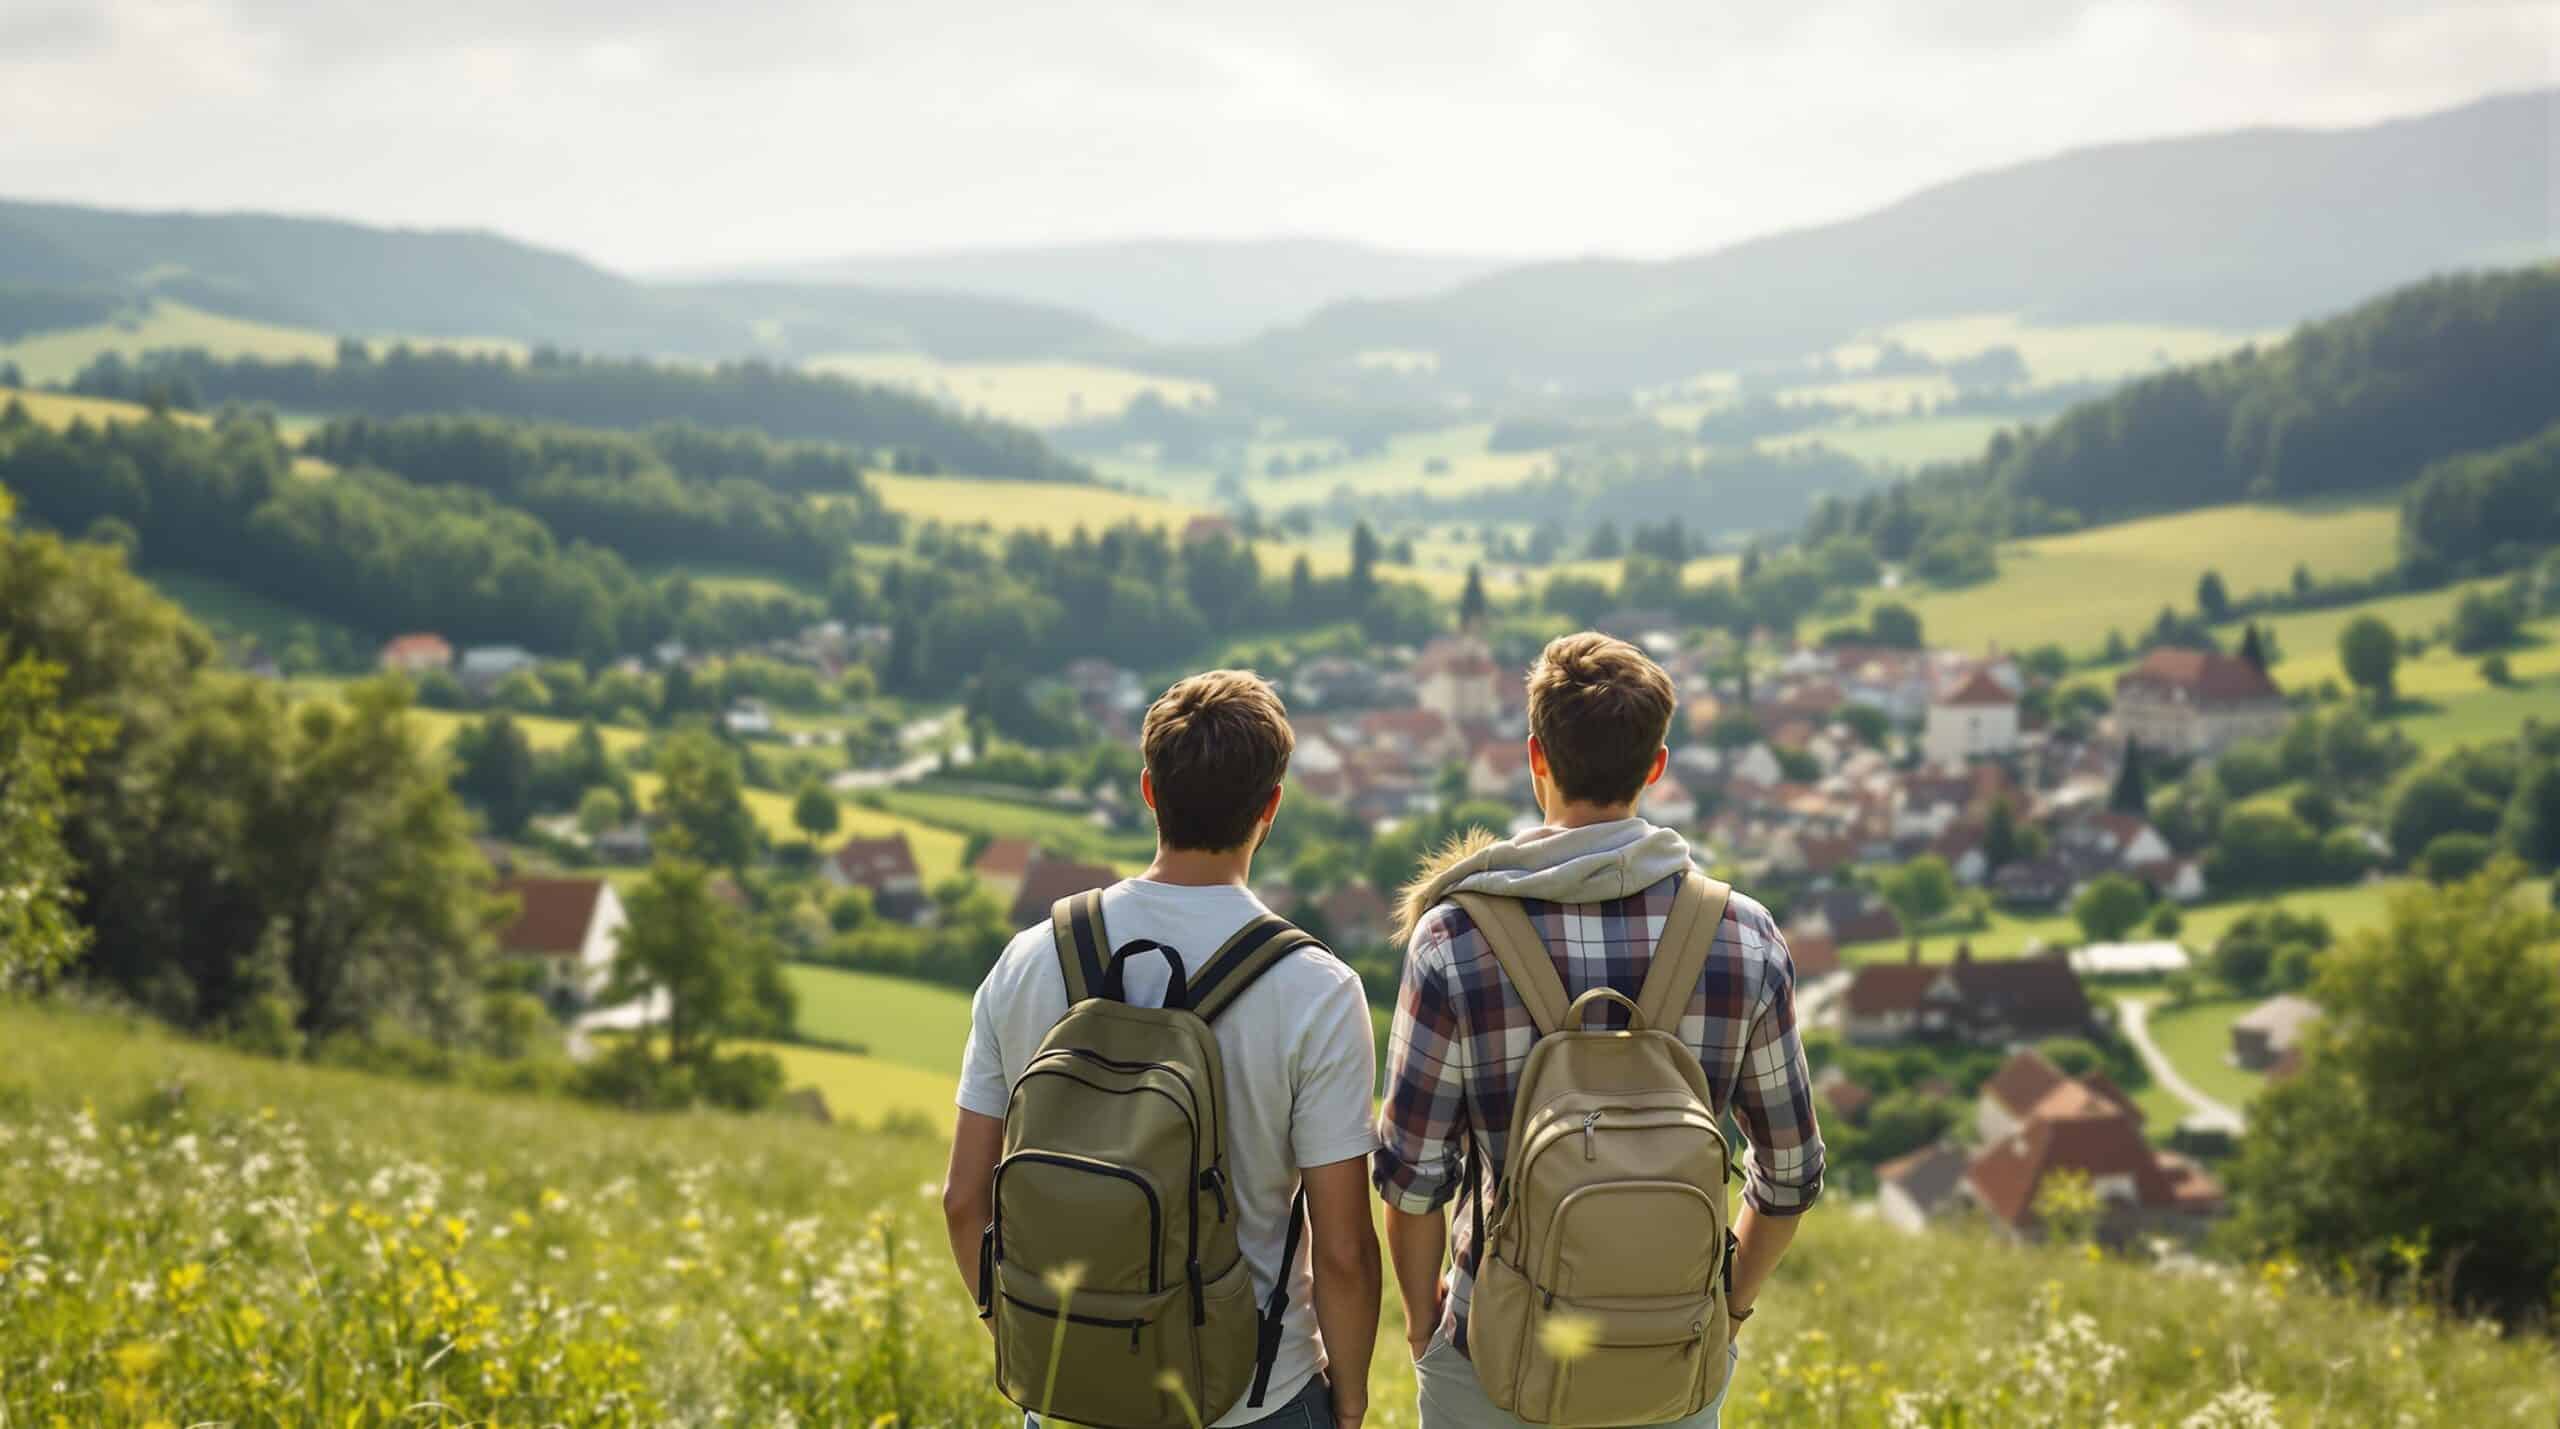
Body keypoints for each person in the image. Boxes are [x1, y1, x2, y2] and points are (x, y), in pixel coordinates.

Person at [1373, 632, 1826, 1428]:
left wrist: (1423, 1320)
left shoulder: (1454, 938)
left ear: (1534, 756)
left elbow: (1412, 1183)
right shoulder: (1744, 936)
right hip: (1671, 1354)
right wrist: (1730, 1307)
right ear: (1656, 765)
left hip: (1495, 1353)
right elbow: (1788, 1174)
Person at [943, 670, 1382, 1429]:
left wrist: (1042, 1339)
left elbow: (962, 1200)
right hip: (1254, 1399)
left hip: (1071, 1394)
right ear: (1270, 805)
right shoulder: (1317, 989)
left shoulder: (1029, 958)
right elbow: (1342, 1250)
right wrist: (1349, 1399)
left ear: (1149, 790)